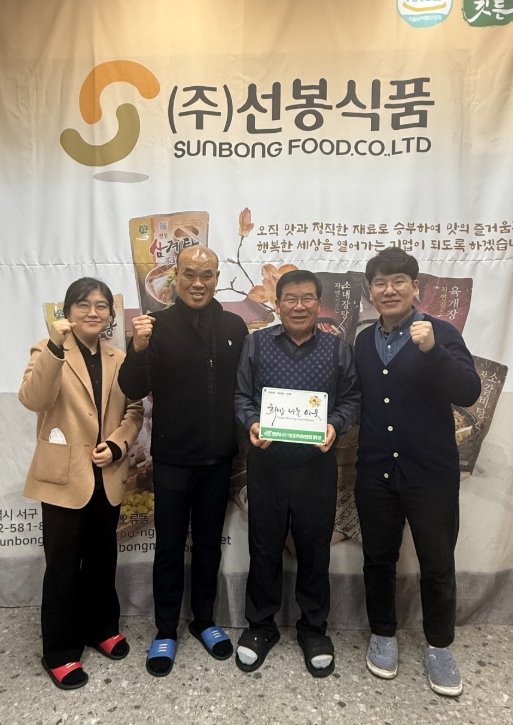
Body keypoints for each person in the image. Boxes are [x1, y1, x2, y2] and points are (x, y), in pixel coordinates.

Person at [354, 248, 481, 696]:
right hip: (375, 472)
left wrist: (432, 351)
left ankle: (440, 645)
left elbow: (469, 391)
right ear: (370, 291)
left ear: (415, 287)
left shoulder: (440, 333)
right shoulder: (362, 341)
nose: (388, 290)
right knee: (378, 558)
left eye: (398, 282)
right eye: (380, 282)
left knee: (437, 562)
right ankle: (383, 633)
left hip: (431, 473)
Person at [117, 246, 248, 676]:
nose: (198, 282)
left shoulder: (234, 327)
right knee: (170, 548)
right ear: (175, 276)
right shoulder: (155, 327)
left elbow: (246, 385)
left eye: (206, 275)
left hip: (218, 460)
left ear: (217, 278)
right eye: (189, 273)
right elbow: (133, 386)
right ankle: (165, 630)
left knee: (208, 546)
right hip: (172, 459)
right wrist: (137, 348)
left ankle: (204, 621)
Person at [234, 269, 360, 677]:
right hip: (267, 466)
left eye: (308, 298)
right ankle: (260, 626)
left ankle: (313, 628)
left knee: (314, 549)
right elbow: (242, 396)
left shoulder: (337, 348)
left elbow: (352, 399)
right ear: (277, 304)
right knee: (264, 548)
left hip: (316, 467)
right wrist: (253, 422)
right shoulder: (256, 344)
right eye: (291, 298)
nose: (299, 306)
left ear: (318, 304)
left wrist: (335, 425)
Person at [19, 278, 144, 690]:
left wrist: (118, 445)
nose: (93, 312)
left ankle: (101, 628)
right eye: (83, 304)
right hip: (63, 478)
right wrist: (56, 348)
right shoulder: (47, 349)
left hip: (106, 475)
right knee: (62, 567)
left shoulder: (119, 358)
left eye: (101, 305)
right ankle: (59, 651)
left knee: (103, 559)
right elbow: (34, 399)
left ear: (111, 314)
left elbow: (134, 411)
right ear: (68, 311)